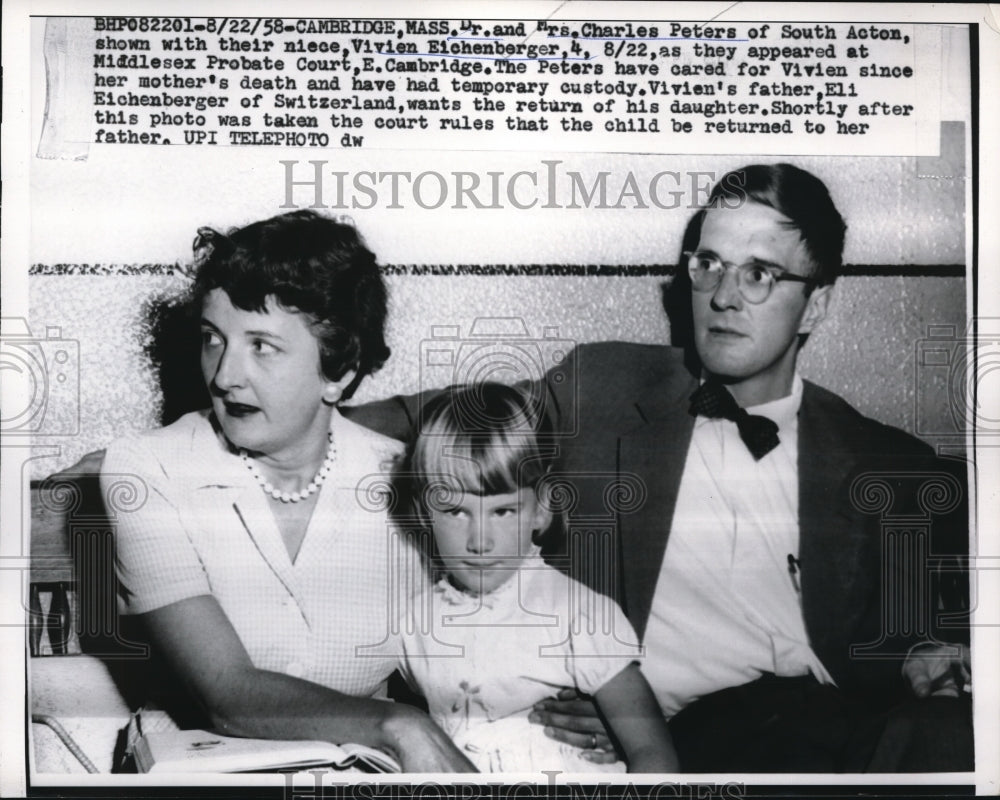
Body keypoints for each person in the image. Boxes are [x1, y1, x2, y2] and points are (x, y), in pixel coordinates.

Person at [524, 163, 973, 771]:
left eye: (759, 273)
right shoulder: (600, 390)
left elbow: (916, 638)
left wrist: (926, 654)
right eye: (708, 265)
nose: (724, 296)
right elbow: (441, 423)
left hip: (821, 736)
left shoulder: (887, 466)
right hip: (662, 733)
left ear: (815, 306)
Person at [100, 210, 474, 772]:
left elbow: (472, 650)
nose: (225, 376)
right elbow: (225, 693)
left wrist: (576, 700)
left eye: (262, 346)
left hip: (368, 770)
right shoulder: (146, 470)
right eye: (213, 339)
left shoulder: (408, 483)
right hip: (196, 771)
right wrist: (398, 725)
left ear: (338, 372)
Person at [391, 383, 678, 773]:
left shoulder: (579, 613)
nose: (480, 541)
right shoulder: (413, 622)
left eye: (504, 511)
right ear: (424, 513)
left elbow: (653, 754)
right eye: (457, 512)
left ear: (541, 510)